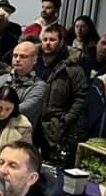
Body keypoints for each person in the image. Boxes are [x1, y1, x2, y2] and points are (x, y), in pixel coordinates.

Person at [34, 26, 87, 165]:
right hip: (31, 122)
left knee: (52, 167)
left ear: (61, 42)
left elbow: (80, 98)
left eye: (52, 40)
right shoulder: (32, 61)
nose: (47, 43)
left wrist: (66, 120)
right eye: (45, 39)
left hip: (55, 126)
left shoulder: (73, 69)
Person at [0, 42, 48, 128]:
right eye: (15, 56)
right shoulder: (1, 79)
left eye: (23, 56)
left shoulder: (39, 87)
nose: (17, 59)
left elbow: (19, 112)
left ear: (34, 60)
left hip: (17, 133)